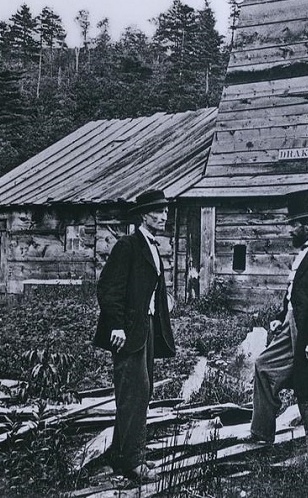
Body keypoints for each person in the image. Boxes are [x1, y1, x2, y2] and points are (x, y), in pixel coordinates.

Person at [249, 190, 308, 455]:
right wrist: (280, 319)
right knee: (264, 367)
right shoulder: (303, 255)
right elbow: (294, 297)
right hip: (291, 327)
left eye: (293, 224)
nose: (289, 230)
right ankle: (261, 434)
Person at [93, 189, 176, 483]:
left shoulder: (153, 246)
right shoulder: (128, 245)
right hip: (127, 331)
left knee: (143, 390)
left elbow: (147, 288)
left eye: (165, 211)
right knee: (134, 391)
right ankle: (131, 462)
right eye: (158, 211)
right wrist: (116, 325)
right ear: (144, 215)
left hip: (147, 328)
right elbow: (108, 287)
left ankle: (126, 454)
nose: (164, 216)